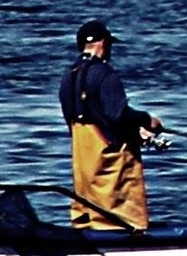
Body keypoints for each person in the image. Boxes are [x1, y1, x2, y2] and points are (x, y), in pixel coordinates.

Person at [58, 20, 161, 229]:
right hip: (109, 163)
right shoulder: (105, 74)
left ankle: (87, 230)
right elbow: (118, 114)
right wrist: (146, 120)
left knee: (88, 208)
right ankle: (125, 232)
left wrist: (130, 130)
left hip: (83, 161)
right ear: (103, 43)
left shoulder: (68, 76)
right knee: (121, 213)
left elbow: (79, 119)